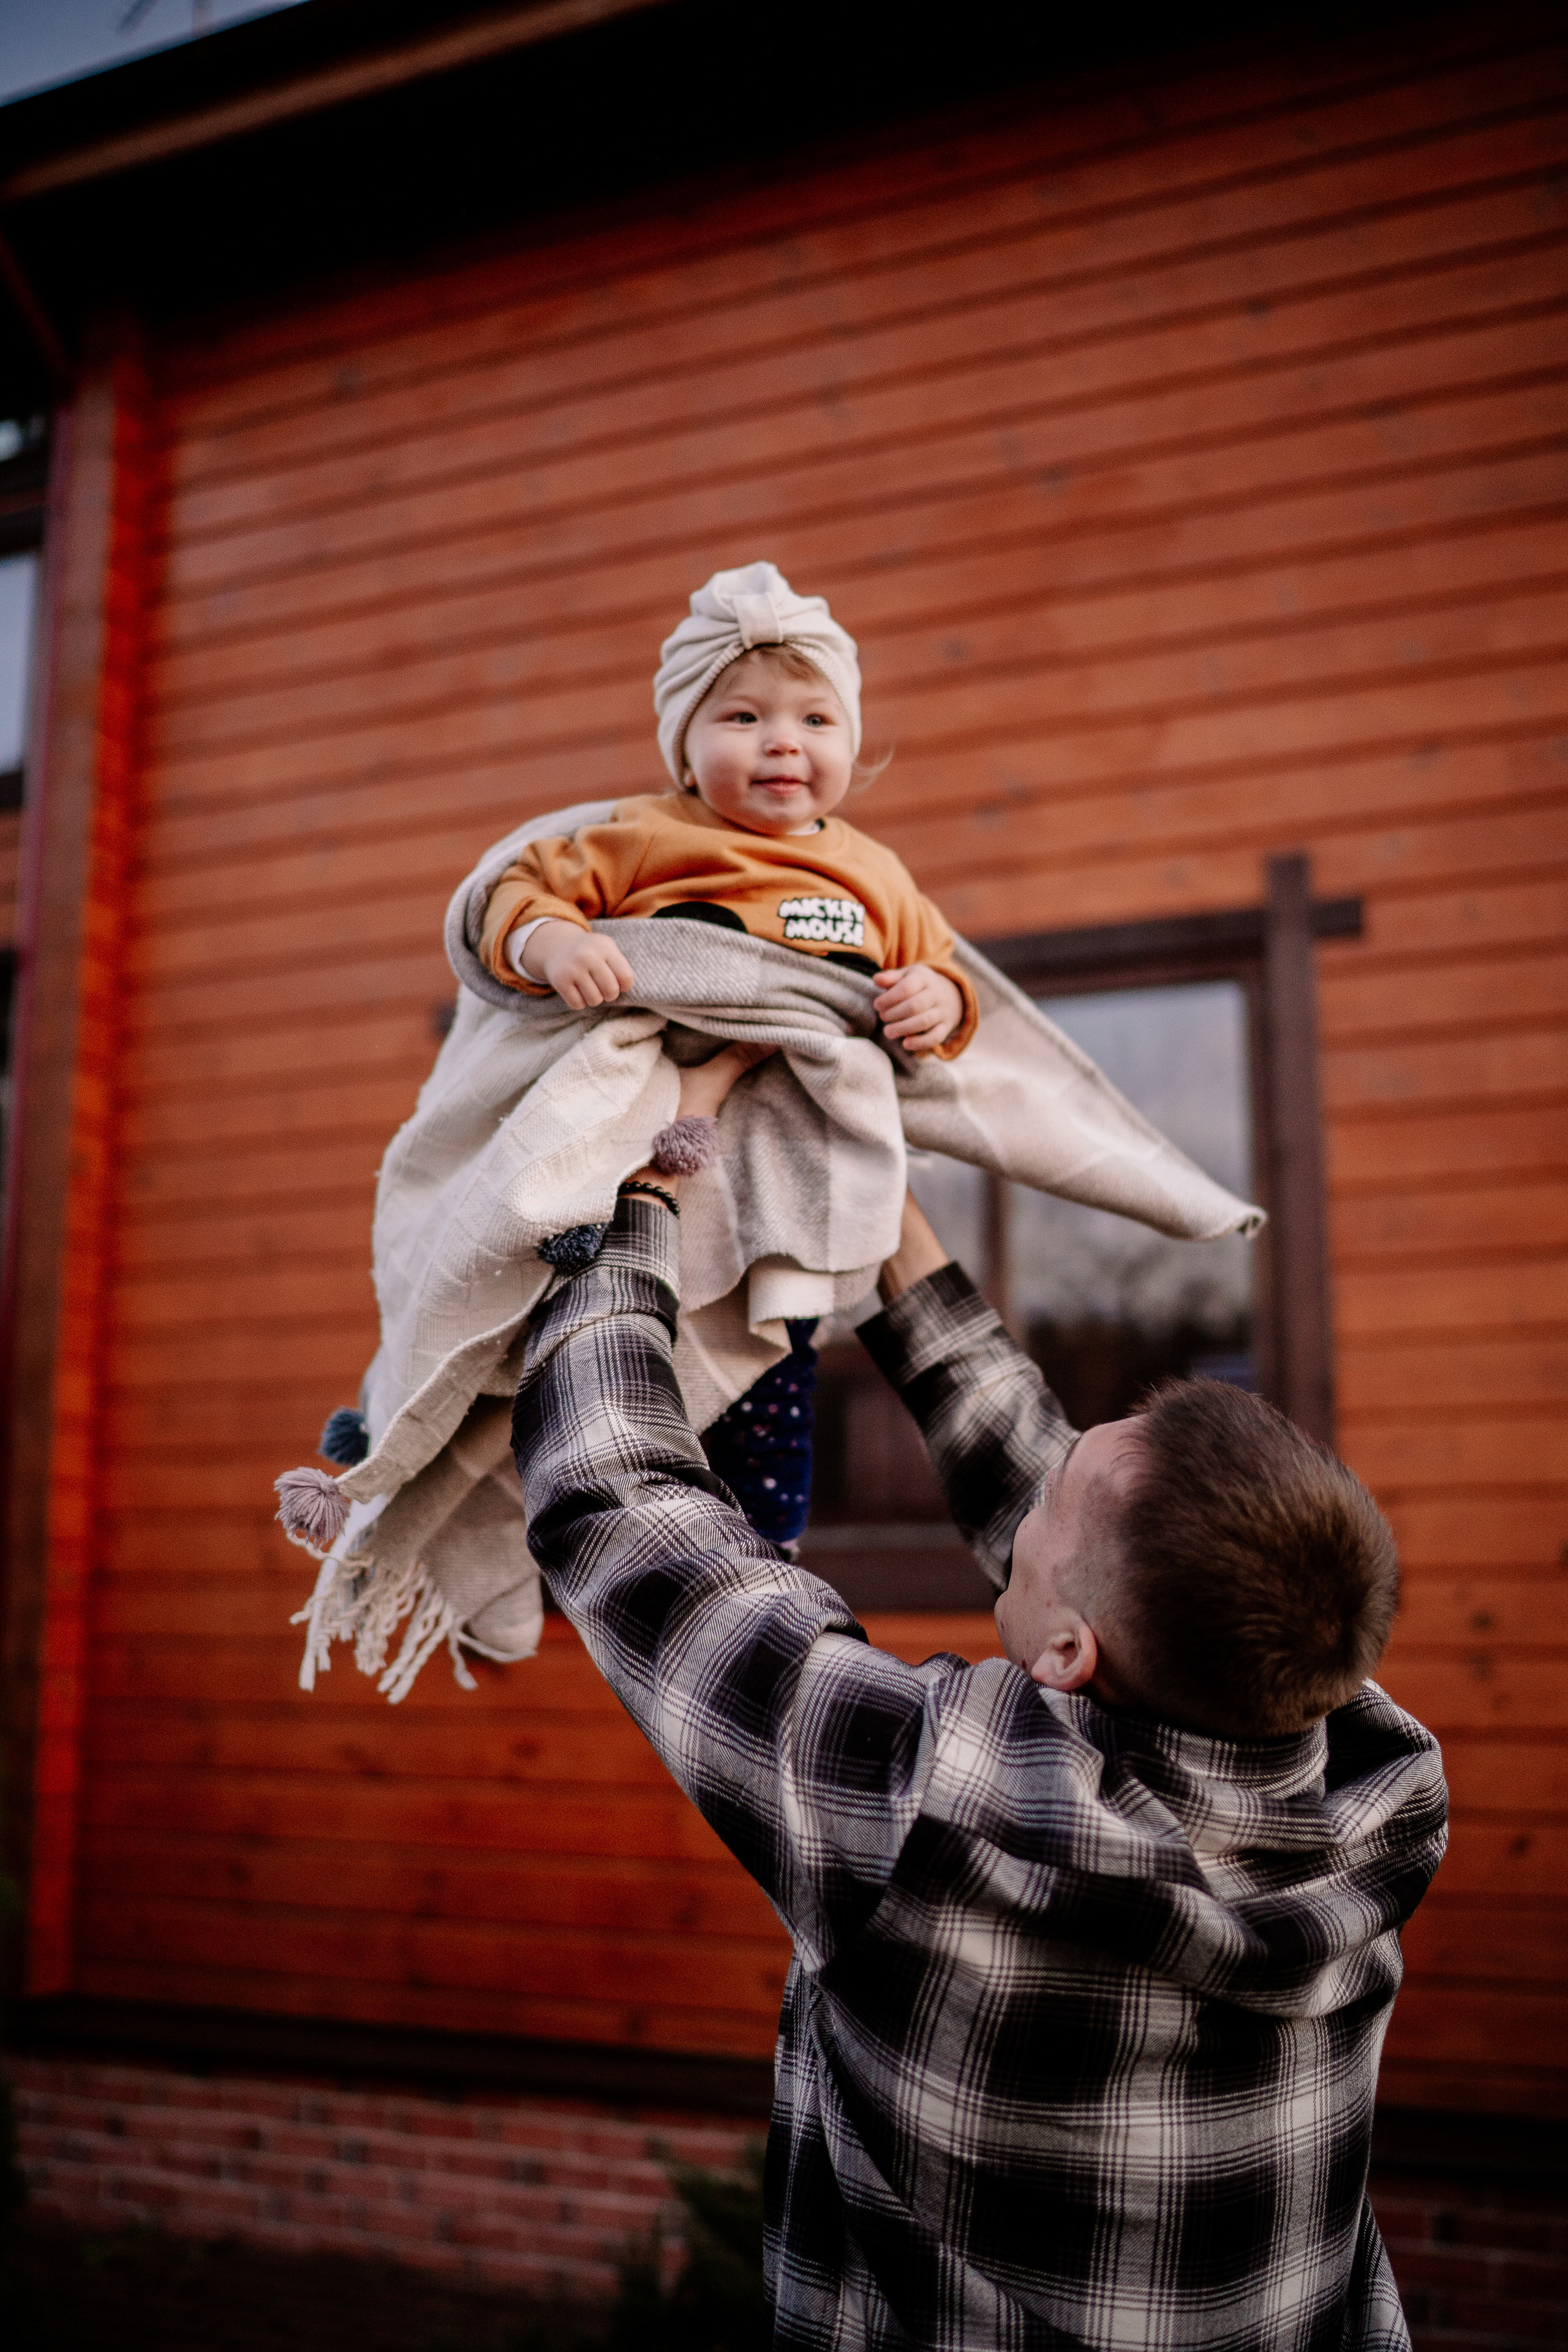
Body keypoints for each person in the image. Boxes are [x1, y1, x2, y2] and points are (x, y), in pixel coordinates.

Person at [510, 1067, 1448, 2351]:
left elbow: (615, 1500)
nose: (1035, 1485)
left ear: (1068, 1650)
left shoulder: (936, 1818)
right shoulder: (1363, 1784)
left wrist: (637, 1185)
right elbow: (1071, 1502)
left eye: (1050, 1509)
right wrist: (875, 1197)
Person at [481, 560, 979, 1550]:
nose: (782, 741)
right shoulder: (643, 835)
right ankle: (559, 1506)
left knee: (774, 1356)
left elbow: (944, 972)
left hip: (784, 1154)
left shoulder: (873, 871)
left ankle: (765, 1538)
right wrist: (562, 945)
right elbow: (516, 895)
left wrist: (937, 999)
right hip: (651, 1123)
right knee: (604, 1333)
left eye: (815, 719)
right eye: (742, 718)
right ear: (684, 742)